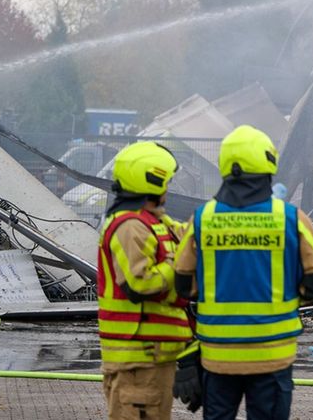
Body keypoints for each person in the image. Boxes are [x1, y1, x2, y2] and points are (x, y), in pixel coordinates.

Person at [175, 125, 313, 420]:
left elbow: (183, 283)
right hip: (272, 353)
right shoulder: (290, 218)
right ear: (269, 163)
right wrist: (285, 299)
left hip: (218, 355)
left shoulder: (202, 219)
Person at [97, 141, 193, 420]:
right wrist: (178, 262)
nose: (168, 189)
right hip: (136, 359)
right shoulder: (130, 226)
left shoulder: (154, 222)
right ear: (153, 180)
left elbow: (189, 234)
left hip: (153, 356)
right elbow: (139, 284)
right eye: (167, 182)